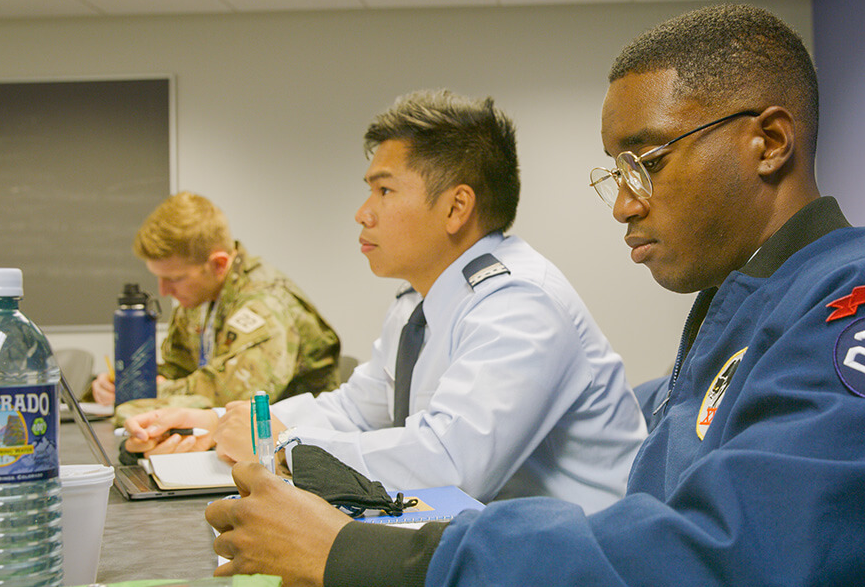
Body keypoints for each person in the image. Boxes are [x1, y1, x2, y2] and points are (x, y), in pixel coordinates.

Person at [205, 5, 865, 587]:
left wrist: (365, 556)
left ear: (769, 142)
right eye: (616, 171)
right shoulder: (753, 304)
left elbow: (720, 559)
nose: (623, 203)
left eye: (647, 161)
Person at [127, 90, 646, 512]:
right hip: (484, 539)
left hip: (574, 565)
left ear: (456, 207)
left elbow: (452, 462)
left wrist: (281, 450)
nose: (362, 213)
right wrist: (223, 424)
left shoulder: (520, 303)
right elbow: (355, 410)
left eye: (384, 191)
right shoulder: (417, 306)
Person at [89, 192, 341, 421]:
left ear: (219, 264)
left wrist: (139, 393)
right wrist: (122, 383)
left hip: (292, 451)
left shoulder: (265, 304)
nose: (164, 291)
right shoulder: (200, 296)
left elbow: (229, 397)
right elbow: (179, 369)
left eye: (175, 278)